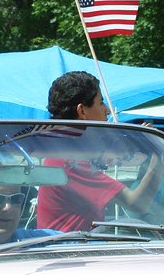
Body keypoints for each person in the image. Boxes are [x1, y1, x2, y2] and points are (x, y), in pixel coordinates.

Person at [36, 71, 164, 231]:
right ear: (82, 111)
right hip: (69, 248)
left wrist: (139, 143)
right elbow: (137, 203)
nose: (108, 110)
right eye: (101, 103)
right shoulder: (70, 162)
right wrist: (158, 153)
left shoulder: (65, 152)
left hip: (78, 244)